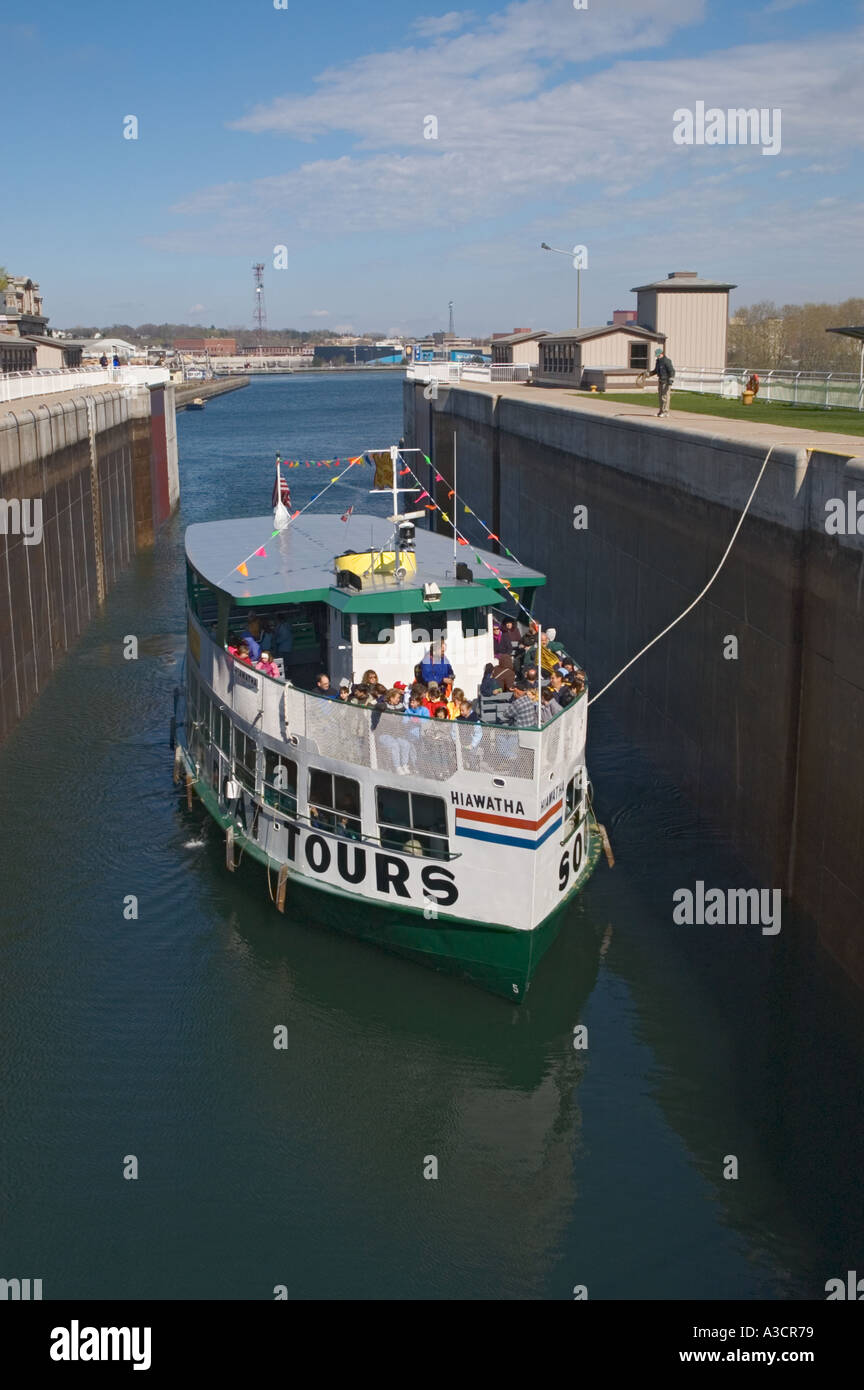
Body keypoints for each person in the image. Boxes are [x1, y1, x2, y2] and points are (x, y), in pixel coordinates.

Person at [650, 346, 675, 417]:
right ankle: (661, 411)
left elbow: (672, 371)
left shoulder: (666, 361)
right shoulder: (658, 362)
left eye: (658, 355)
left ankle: (666, 412)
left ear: (661, 354)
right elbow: (655, 371)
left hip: (666, 381)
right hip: (660, 380)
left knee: (665, 397)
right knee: (660, 397)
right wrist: (648, 374)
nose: (657, 356)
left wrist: (671, 379)